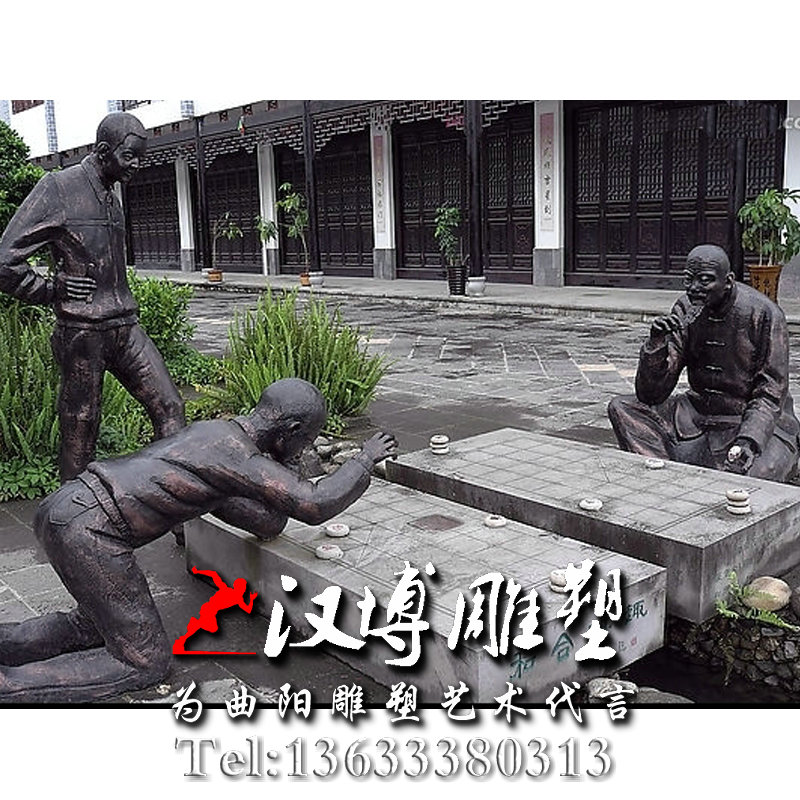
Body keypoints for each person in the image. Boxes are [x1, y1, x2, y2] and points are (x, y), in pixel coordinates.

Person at [0, 378, 398, 702]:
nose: (306, 448)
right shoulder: (239, 456)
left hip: (67, 507)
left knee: (92, 627)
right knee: (143, 662)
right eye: (306, 439)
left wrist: (286, 462)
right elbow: (314, 503)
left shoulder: (213, 436)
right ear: (292, 430)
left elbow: (267, 522)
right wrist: (364, 459)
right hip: (92, 531)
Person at [0, 111, 185, 482]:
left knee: (170, 407)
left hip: (125, 327)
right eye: (129, 156)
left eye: (140, 157)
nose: (136, 165)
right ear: (103, 151)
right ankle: (71, 513)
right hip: (82, 332)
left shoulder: (110, 194)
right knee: (81, 427)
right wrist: (51, 289)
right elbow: (5, 262)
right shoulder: (58, 188)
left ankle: (172, 501)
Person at [608, 244, 800, 481]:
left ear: (728, 281)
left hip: (749, 418)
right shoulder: (685, 307)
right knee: (622, 408)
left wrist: (749, 439)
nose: (694, 288)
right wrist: (656, 346)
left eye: (705, 280)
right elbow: (651, 395)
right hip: (696, 413)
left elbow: (770, 393)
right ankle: (666, 475)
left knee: (758, 473)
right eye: (689, 279)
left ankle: (680, 463)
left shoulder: (765, 314)